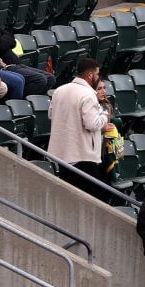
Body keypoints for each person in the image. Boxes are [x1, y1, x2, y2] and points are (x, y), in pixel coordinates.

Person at [48, 55, 117, 200]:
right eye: (97, 74)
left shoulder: (59, 90)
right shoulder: (88, 94)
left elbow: (51, 115)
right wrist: (104, 115)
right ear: (90, 75)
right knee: (97, 195)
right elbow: (92, 124)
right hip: (82, 154)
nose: (98, 77)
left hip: (61, 154)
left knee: (71, 197)